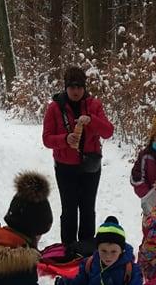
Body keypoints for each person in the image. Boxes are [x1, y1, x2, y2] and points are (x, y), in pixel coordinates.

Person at [42, 66, 114, 258]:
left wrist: (92, 120)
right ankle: (68, 248)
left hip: (90, 165)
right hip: (65, 166)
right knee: (69, 209)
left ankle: (87, 249)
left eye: (79, 87)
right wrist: (64, 140)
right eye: (72, 86)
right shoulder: (54, 107)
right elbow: (47, 139)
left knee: (88, 208)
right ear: (65, 87)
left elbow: (108, 131)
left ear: (84, 87)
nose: (76, 91)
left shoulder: (94, 105)